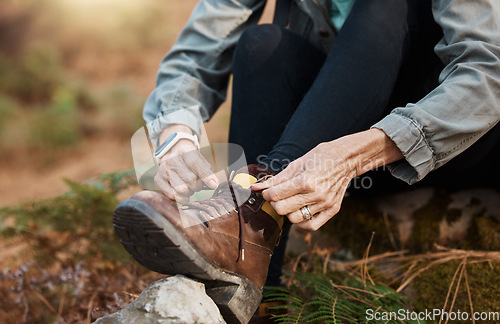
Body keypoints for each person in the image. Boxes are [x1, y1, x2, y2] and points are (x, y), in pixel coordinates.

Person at [114, 0, 500, 322]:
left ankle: (251, 213)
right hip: (322, 153)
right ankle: (257, 273)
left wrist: (352, 155)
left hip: (454, 144)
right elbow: (199, 51)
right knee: (263, 44)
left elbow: (487, 74)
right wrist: (176, 138)